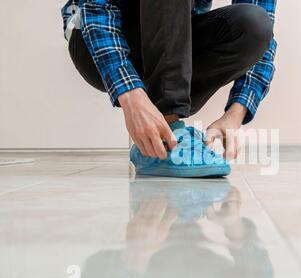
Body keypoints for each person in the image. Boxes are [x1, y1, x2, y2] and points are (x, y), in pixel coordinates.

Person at [61, 0, 277, 177]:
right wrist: (129, 94)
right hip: (96, 36)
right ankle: (168, 134)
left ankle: (162, 131)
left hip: (173, 37)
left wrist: (235, 114)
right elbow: (96, 10)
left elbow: (263, 32)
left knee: (255, 24)